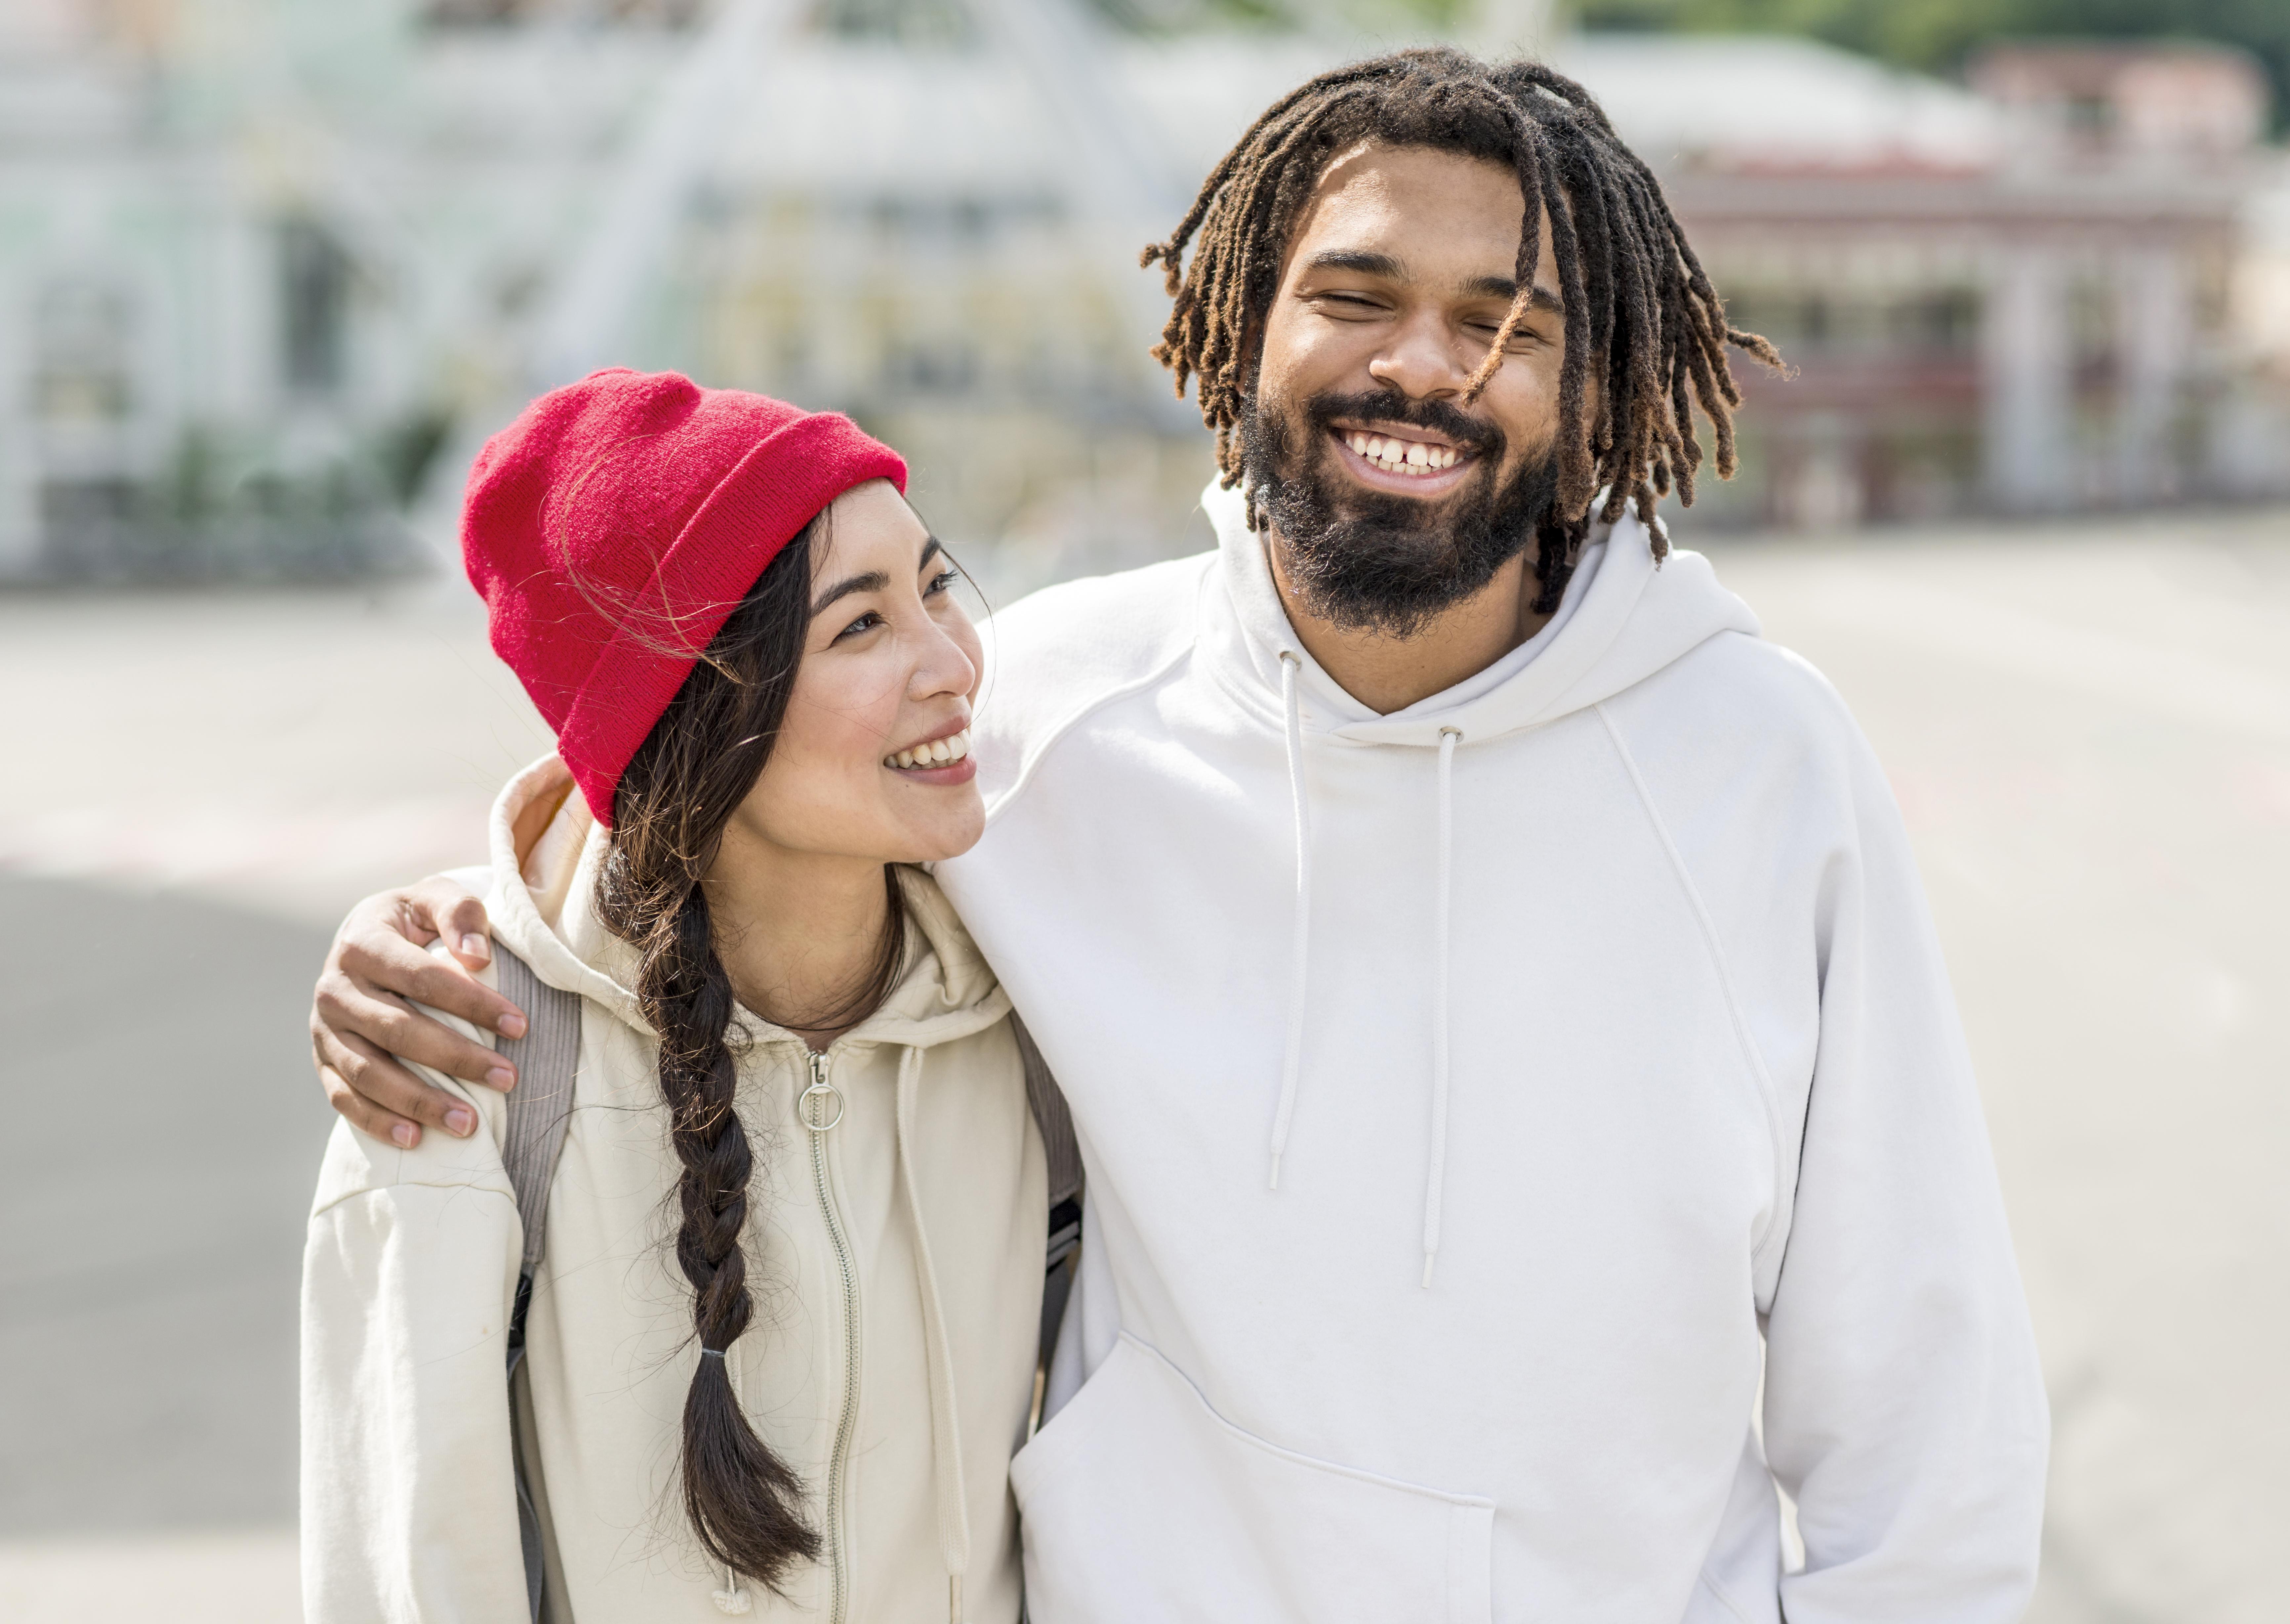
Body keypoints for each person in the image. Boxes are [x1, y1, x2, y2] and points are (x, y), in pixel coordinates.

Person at [312, 47, 2049, 1622]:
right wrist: (448, 932)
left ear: (1595, 391)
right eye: (1354, 296)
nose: (1421, 364)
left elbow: (1928, 1435)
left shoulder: (1763, 764)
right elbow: (722, 770)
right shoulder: (1040, 715)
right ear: (1238, 333)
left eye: (1506, 321)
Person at [302, 371, 1051, 1622]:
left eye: (935, 586)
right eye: (861, 627)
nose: (954, 663)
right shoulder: (463, 1064)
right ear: (704, 716)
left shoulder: (1029, 1005)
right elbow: (411, 1578)